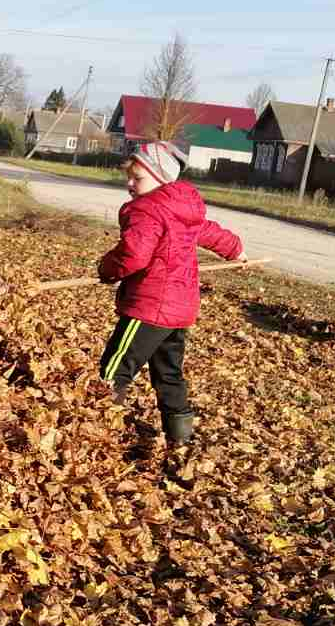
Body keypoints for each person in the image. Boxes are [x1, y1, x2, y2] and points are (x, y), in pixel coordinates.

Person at [96, 140, 247, 445]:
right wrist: (236, 250)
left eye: (137, 178)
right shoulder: (183, 209)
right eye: (129, 177)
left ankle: (95, 426)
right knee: (168, 374)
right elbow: (210, 232)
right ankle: (180, 439)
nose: (129, 184)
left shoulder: (147, 209)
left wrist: (107, 269)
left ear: (160, 178)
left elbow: (135, 253)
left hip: (150, 308)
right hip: (180, 311)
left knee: (115, 367)